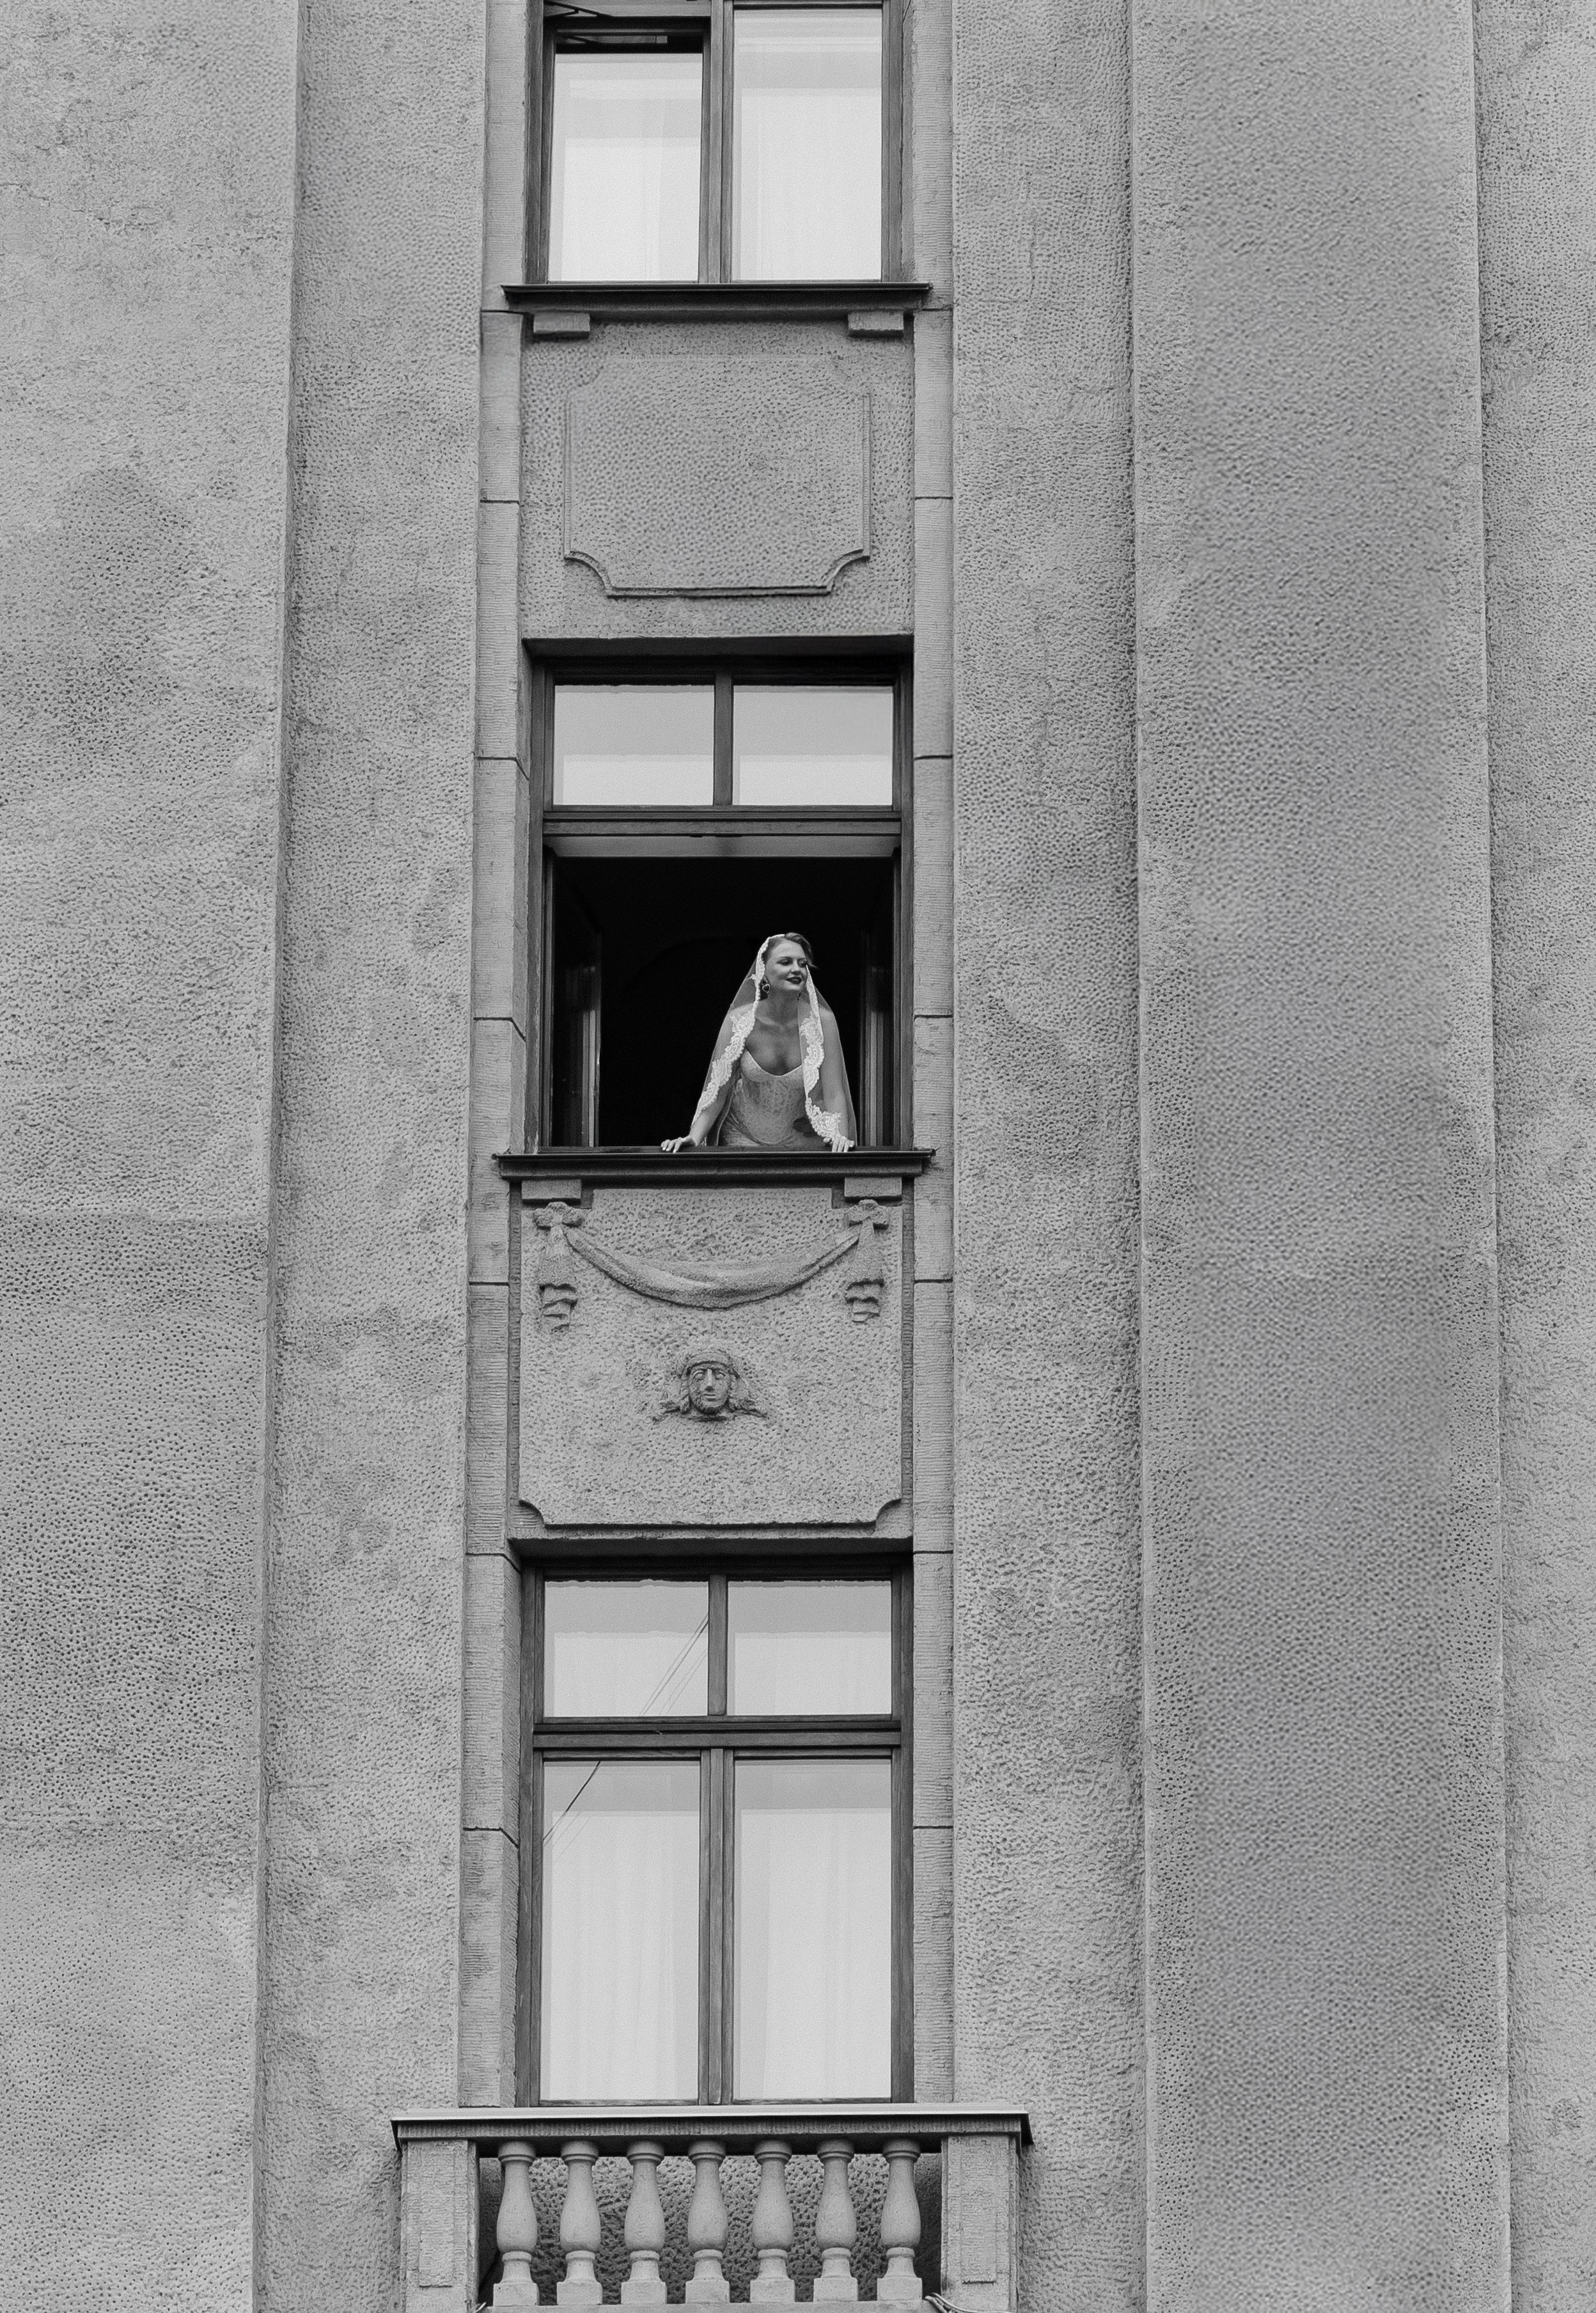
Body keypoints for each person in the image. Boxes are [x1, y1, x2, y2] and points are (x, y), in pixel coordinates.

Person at [662, 932, 857, 1154]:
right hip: (740, 1136)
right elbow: (718, 1090)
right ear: (763, 971)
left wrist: (839, 1137)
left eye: (802, 964)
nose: (797, 969)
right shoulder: (740, 1020)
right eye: (785, 962)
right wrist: (694, 1138)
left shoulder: (823, 1021)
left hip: (797, 1140)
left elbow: (834, 1092)